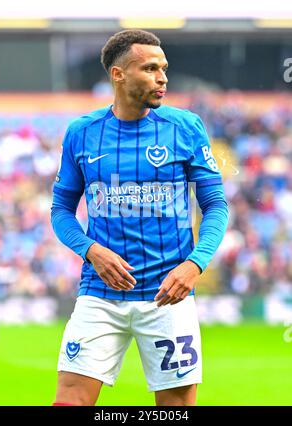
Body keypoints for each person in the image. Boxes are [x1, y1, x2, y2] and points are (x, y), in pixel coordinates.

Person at [51, 29, 229, 406]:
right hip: (99, 295)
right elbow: (61, 211)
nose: (162, 77)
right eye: (150, 68)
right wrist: (90, 250)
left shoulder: (185, 126)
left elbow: (216, 206)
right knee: (69, 400)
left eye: (163, 68)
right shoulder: (82, 133)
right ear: (118, 74)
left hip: (169, 295)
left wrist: (194, 265)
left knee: (175, 407)